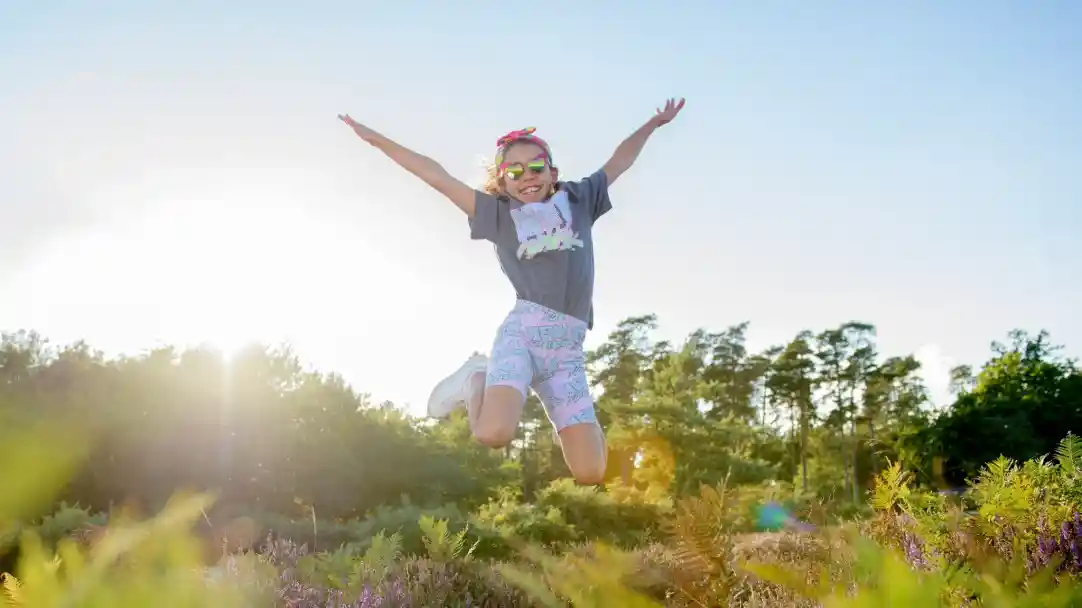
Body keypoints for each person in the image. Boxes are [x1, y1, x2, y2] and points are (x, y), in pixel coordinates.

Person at [338, 98, 686, 484]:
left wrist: (653, 124)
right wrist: (377, 140)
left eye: (536, 167)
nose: (527, 177)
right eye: (514, 171)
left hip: (567, 355)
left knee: (591, 472)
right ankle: (476, 379)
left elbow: (620, 160)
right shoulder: (499, 216)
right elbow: (436, 176)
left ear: (553, 172)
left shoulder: (579, 199)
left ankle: (573, 417)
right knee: (492, 434)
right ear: (502, 181)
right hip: (523, 337)